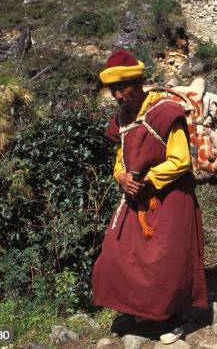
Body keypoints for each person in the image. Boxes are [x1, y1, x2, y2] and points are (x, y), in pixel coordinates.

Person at [91, 49, 207, 345]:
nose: (117, 95)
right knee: (119, 255)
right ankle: (142, 309)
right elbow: (120, 157)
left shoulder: (165, 112)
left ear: (139, 81)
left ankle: (175, 318)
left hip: (170, 198)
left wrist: (149, 180)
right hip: (136, 199)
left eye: (123, 87)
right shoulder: (122, 118)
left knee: (165, 261)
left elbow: (180, 161)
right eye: (112, 89)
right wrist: (121, 177)